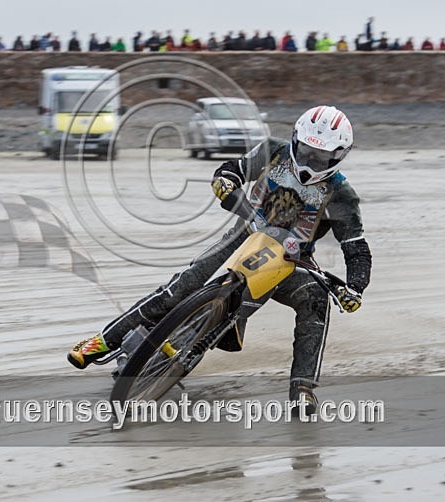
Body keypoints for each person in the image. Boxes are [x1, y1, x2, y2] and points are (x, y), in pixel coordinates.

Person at [68, 106, 373, 415]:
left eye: (320, 157)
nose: (310, 160)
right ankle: (104, 340)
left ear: (338, 156)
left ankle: (303, 389)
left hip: (290, 260)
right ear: (296, 140)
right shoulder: (272, 150)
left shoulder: (342, 194)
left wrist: (355, 287)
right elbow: (234, 168)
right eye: (306, 150)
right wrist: (224, 179)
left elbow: (357, 248)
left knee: (316, 299)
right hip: (244, 233)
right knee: (181, 286)